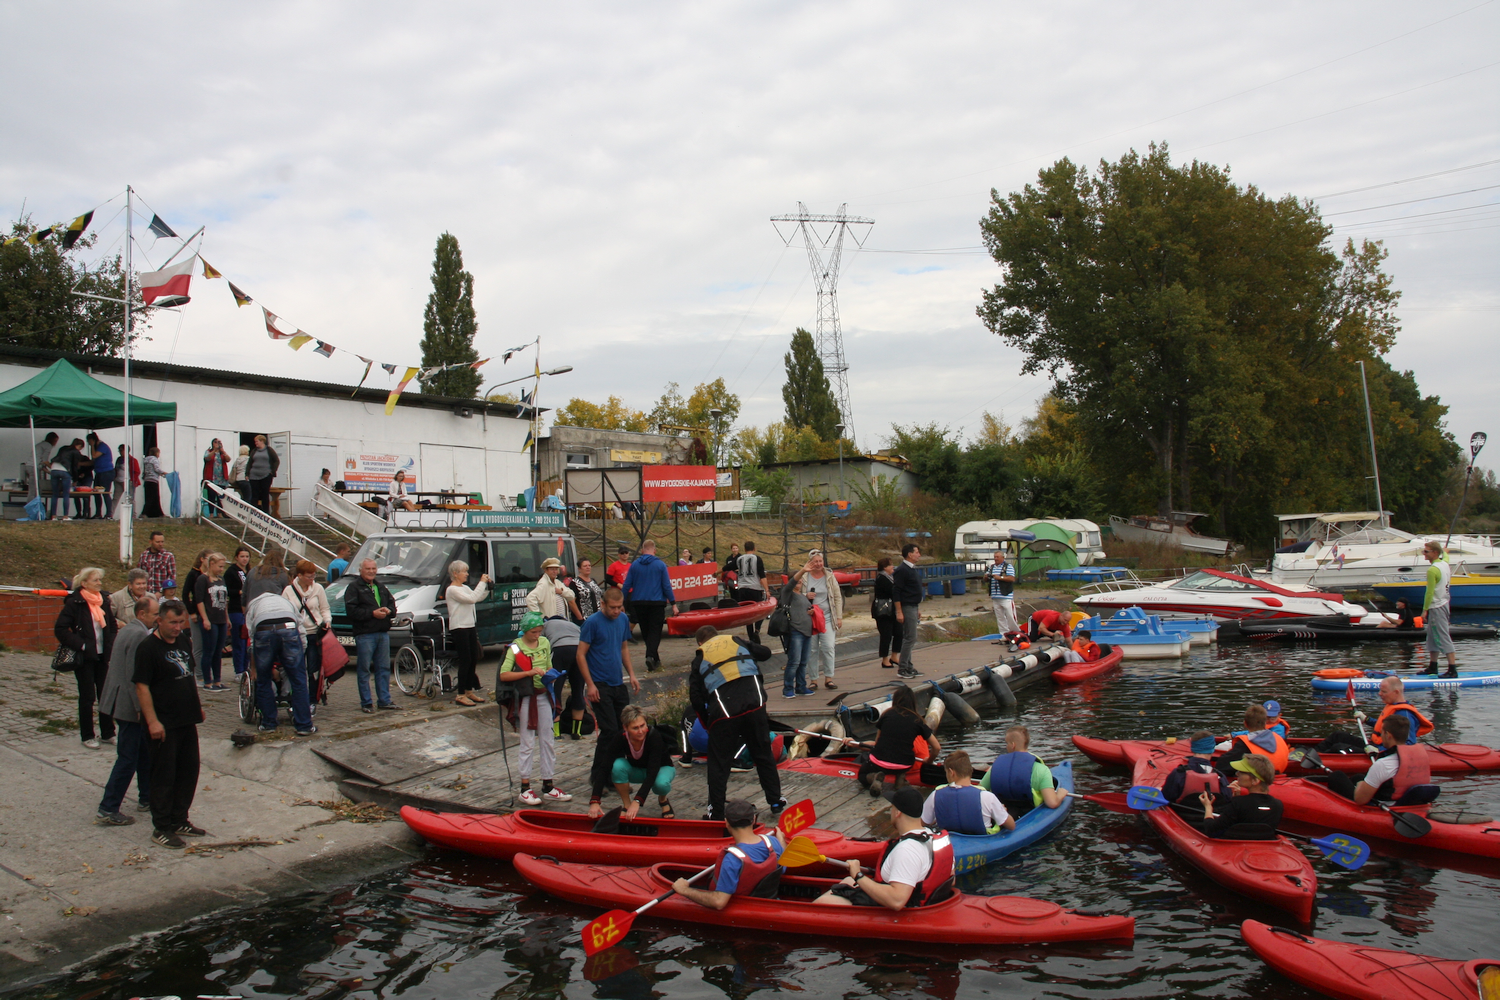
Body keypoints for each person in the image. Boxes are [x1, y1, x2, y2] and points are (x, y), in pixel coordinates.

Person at [689, 625, 785, 821]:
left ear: (700, 643)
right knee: (763, 754)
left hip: (724, 714)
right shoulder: (735, 640)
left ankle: (716, 812)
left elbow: (696, 698)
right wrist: (749, 645)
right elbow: (766, 653)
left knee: (718, 765)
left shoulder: (699, 658)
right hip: (755, 705)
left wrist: (708, 723)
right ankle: (775, 800)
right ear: (717, 635)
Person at [133, 599, 207, 849]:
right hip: (163, 723)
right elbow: (141, 687)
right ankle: (162, 827)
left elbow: (188, 675)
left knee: (188, 771)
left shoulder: (184, 641)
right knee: (164, 775)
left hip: (187, 719)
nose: (177, 627)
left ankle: (179, 819)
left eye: (181, 622)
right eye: (173, 622)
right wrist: (152, 721)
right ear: (159, 621)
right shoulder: (148, 648)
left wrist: (197, 707)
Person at [815, 787, 953, 909]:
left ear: (897, 812)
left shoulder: (907, 849)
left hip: (904, 911)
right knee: (847, 881)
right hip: (925, 901)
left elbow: (897, 901)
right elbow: (952, 879)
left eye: (892, 808)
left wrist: (858, 875)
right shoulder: (932, 836)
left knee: (821, 904)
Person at [95, 595, 158, 826]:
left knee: (142, 752)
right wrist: (141, 707)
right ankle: (108, 807)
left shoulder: (128, 630)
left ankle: (146, 797)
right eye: (155, 614)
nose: (158, 618)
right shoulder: (139, 635)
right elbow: (135, 676)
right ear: (142, 614)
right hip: (128, 705)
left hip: (118, 699)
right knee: (128, 757)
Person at [497, 611, 570, 805]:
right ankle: (525, 788)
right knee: (527, 741)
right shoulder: (515, 647)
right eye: (533, 632)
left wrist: (551, 674)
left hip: (543, 694)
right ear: (525, 630)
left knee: (548, 739)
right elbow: (504, 674)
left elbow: (548, 665)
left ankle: (548, 784)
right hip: (525, 698)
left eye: (539, 631)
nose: (537, 635)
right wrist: (528, 673)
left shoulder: (544, 643)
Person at [580, 588, 640, 818]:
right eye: (612, 607)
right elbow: (580, 654)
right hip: (599, 684)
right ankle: (598, 776)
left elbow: (624, 647)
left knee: (623, 731)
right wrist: (590, 684)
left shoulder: (622, 619)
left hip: (617, 682)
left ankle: (615, 776)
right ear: (603, 604)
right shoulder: (592, 623)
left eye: (619, 607)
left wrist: (631, 674)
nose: (616, 611)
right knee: (609, 731)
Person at [672, 799, 784, 908]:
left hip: (743, 909)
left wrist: (684, 890)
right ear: (754, 819)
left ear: (726, 823)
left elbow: (719, 902)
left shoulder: (732, 860)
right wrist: (781, 839)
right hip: (767, 902)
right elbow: (784, 864)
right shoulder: (773, 843)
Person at [55, 567, 119, 749]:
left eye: (100, 580)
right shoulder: (75, 603)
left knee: (105, 694)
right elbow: (60, 629)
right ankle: (87, 735)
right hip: (84, 657)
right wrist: (81, 644)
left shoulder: (103, 601)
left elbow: (112, 625)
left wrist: (109, 644)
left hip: (102, 655)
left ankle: (108, 732)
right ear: (84, 583)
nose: (99, 583)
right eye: (95, 580)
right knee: (87, 696)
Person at [246, 590, 317, 735]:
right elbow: (301, 631)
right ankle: (304, 725)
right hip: (288, 627)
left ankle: (268, 724)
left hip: (263, 629)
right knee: (298, 681)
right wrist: (299, 656)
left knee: (263, 680)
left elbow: (252, 639)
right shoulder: (287, 602)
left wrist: (255, 667)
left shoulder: (253, 606)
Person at [1327, 716, 1433, 804]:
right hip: (1405, 801)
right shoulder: (1420, 759)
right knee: (1358, 777)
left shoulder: (1383, 764)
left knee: (1336, 776)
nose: (1381, 735)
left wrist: (1360, 786)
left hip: (1383, 806)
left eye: (1382, 732)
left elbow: (1360, 800)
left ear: (1388, 735)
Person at [857, 686, 938, 794]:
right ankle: (900, 778)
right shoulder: (918, 720)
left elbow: (877, 742)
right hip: (904, 764)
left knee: (861, 774)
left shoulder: (886, 714)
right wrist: (929, 761)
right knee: (902, 757)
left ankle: (873, 777)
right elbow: (937, 747)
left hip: (879, 762)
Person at [598, 705, 674, 819]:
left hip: (660, 769)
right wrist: (595, 801)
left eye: (643, 726)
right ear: (625, 728)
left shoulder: (654, 736)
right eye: (635, 728)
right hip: (638, 770)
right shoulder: (620, 737)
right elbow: (604, 766)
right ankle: (627, 805)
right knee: (617, 766)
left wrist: (638, 801)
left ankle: (663, 800)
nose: (640, 731)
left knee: (661, 784)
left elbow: (652, 772)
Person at [346, 557, 399, 712]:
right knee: (364, 669)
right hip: (365, 634)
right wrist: (372, 613)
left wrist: (389, 611)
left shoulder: (380, 587)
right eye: (368, 569)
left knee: (383, 668)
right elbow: (352, 611)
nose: (371, 571)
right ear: (361, 570)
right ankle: (366, 702)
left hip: (382, 633)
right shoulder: (353, 588)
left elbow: (392, 605)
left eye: (373, 569)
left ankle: (384, 700)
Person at [982, 724, 1070, 815]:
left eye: (1006, 743)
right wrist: (1060, 794)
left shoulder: (996, 767)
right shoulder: (1042, 770)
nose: (1006, 746)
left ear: (1013, 745)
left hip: (1001, 813)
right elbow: (1052, 803)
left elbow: (981, 790)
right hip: (1029, 813)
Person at [922, 751, 1013, 836]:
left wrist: (935, 819)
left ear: (951, 772)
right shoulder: (987, 796)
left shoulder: (935, 796)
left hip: (948, 842)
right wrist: (1002, 811)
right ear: (971, 770)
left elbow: (921, 823)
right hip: (980, 841)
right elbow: (1011, 826)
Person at [1196, 754, 1283, 840]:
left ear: (1255, 781)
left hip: (1233, 846)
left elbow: (1211, 831)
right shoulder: (1278, 805)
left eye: (1241, 772)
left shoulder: (1238, 803)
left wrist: (1208, 807)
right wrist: (1236, 799)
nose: (1237, 774)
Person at [623, 539, 677, 672]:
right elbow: (666, 585)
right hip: (656, 602)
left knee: (646, 631)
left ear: (642, 551)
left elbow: (627, 584)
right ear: (655, 551)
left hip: (638, 602)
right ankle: (650, 656)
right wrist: (673, 603)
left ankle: (655, 660)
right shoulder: (660, 565)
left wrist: (620, 602)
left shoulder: (634, 565)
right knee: (655, 631)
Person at [285, 559, 332, 708]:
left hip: (314, 633)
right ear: (299, 575)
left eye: (314, 576)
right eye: (309, 576)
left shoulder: (318, 588)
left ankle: (312, 699)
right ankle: (295, 698)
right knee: (296, 667)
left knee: (313, 669)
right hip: (296, 634)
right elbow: (285, 610)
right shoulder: (288, 590)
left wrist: (327, 621)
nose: (312, 579)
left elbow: (324, 608)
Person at [444, 559, 491, 707]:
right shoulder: (452, 590)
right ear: (455, 573)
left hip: (470, 625)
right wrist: (481, 582)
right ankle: (460, 694)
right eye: (464, 571)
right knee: (465, 660)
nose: (467, 574)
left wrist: (487, 588)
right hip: (459, 627)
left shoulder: (464, 587)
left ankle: (468, 690)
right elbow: (471, 599)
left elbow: (477, 597)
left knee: (473, 658)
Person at [801, 550, 844, 691]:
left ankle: (829, 678)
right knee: (812, 649)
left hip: (826, 617)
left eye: (820, 561)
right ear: (810, 562)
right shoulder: (804, 576)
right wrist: (805, 595)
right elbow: (795, 594)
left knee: (828, 647)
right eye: (816, 562)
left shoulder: (829, 576)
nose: (819, 564)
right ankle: (813, 679)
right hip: (810, 618)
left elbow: (837, 596)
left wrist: (839, 617)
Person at [1215, 704, 1291, 777]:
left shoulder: (1244, 744)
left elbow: (1222, 766)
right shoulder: (1279, 738)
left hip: (1258, 779)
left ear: (1245, 724)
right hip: (1278, 776)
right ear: (1265, 723)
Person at [543, 613, 587, 738]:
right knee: (578, 691)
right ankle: (576, 732)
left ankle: (556, 732)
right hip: (578, 650)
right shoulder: (573, 625)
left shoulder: (546, 625)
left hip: (559, 650)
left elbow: (541, 644)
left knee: (555, 691)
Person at [193, 552, 231, 691]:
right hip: (210, 619)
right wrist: (205, 619)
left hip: (221, 619)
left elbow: (225, 600)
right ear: (212, 564)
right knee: (209, 650)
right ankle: (207, 681)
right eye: (220, 566)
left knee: (218, 652)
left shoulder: (221, 579)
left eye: (223, 567)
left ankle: (217, 680)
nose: (221, 569)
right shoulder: (203, 579)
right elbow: (199, 600)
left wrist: (227, 618)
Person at [1161, 731, 1231, 805]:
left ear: (1192, 749)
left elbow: (1166, 797)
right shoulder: (1220, 777)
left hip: (1182, 811)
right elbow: (1227, 799)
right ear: (1212, 749)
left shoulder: (1178, 773)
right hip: (1211, 811)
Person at [1420, 540, 1457, 677]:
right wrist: (1445, 551)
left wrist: (1424, 610)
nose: (1424, 554)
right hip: (1444, 603)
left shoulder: (1432, 570)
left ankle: (1452, 669)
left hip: (1437, 606)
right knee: (1431, 636)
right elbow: (1446, 556)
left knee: (1442, 635)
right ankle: (1433, 666)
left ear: (1435, 553)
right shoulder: (1444, 563)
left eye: (1426, 551)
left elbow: (1429, 592)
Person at [778, 571, 815, 698]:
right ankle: (788, 688)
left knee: (803, 662)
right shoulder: (788, 593)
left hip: (807, 632)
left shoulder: (802, 596)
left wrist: (811, 611)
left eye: (802, 579)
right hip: (795, 631)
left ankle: (801, 686)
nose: (800, 581)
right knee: (794, 661)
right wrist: (803, 570)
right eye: (798, 579)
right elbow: (791, 583)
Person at [892, 544, 924, 678]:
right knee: (910, 637)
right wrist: (899, 611)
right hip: (906, 606)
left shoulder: (912, 569)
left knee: (909, 637)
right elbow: (896, 591)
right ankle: (903, 668)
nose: (919, 555)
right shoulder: (902, 570)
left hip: (913, 605)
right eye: (917, 552)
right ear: (910, 554)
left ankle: (909, 667)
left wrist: (917, 608)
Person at [868, 557, 903, 669]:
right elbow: (892, 591)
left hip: (893, 610)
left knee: (899, 632)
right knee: (886, 635)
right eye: (890, 565)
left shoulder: (891, 577)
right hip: (883, 611)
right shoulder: (882, 578)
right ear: (884, 567)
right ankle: (885, 659)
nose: (893, 567)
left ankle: (894, 656)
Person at [180, 549, 211, 671]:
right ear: (202, 559)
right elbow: (185, 594)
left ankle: (207, 672)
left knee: (208, 646)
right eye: (209, 559)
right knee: (198, 646)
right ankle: (197, 673)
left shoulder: (211, 575)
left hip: (209, 613)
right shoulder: (193, 574)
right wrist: (191, 612)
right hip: (196, 613)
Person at [733, 542, 769, 642]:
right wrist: (767, 589)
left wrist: (717, 572)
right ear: (754, 548)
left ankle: (750, 636)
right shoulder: (757, 559)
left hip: (742, 588)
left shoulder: (739, 559)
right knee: (761, 611)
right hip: (754, 587)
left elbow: (728, 567)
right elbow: (762, 576)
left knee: (747, 613)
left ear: (744, 549)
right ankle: (757, 630)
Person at [226, 546, 253, 677]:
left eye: (247, 556)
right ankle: (239, 670)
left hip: (249, 609)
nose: (244, 559)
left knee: (248, 642)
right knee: (238, 641)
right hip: (236, 609)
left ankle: (247, 668)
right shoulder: (231, 572)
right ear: (236, 557)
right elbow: (227, 590)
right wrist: (240, 592)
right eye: (242, 556)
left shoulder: (250, 572)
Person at [48, 438, 84, 521]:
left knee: (55, 494)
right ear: (79, 446)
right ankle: (65, 516)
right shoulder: (76, 452)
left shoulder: (63, 448)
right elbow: (74, 467)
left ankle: (53, 516)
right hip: (64, 471)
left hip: (54, 469)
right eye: (81, 448)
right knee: (66, 494)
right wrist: (75, 479)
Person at [986, 547, 1019, 636]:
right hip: (995, 596)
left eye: (997, 557)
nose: (995, 559)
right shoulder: (992, 567)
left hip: (1006, 596)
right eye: (995, 557)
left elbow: (1011, 578)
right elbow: (986, 577)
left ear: (1002, 558)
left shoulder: (1008, 566)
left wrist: (1000, 578)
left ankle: (1016, 632)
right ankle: (1004, 634)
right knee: (1000, 617)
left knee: (1010, 615)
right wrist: (986, 577)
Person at [246, 434, 279, 514]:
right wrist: (247, 473)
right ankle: (254, 512)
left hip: (266, 475)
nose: (255, 443)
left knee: (265, 493)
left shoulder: (269, 450)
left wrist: (272, 471)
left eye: (257, 441)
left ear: (262, 441)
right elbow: (250, 462)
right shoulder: (254, 451)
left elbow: (276, 461)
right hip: (254, 475)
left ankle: (265, 512)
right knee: (254, 494)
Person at [138, 531, 176, 597]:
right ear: (150, 542)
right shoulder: (143, 555)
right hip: (145, 594)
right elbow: (139, 575)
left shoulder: (168, 556)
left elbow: (171, 577)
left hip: (161, 595)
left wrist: (161, 592)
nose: (160, 544)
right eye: (157, 542)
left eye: (162, 542)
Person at [201, 438, 230, 516]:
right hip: (211, 477)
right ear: (212, 444)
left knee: (220, 497)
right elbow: (207, 458)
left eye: (219, 442)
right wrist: (214, 450)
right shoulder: (209, 451)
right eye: (215, 442)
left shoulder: (222, 453)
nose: (217, 443)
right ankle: (211, 513)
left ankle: (220, 513)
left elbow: (228, 459)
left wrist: (223, 451)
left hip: (221, 478)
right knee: (211, 495)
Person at [89, 434, 114, 519]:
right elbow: (93, 460)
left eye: (89, 441)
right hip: (99, 472)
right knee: (96, 492)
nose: (89, 444)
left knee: (105, 492)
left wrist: (92, 446)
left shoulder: (102, 446)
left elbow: (94, 456)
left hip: (106, 472)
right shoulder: (98, 447)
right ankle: (98, 513)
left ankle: (109, 514)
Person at [69, 437, 93, 519]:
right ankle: (79, 513)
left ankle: (85, 513)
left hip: (87, 477)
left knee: (85, 495)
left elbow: (91, 466)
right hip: (77, 478)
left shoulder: (84, 458)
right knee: (76, 495)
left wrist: (84, 473)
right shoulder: (72, 459)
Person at [114, 442, 140, 514]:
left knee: (130, 499)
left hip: (129, 481)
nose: (120, 452)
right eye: (119, 450)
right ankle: (110, 514)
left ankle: (133, 514)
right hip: (118, 480)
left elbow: (137, 471)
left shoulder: (132, 460)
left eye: (121, 450)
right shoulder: (119, 459)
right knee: (115, 498)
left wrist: (133, 481)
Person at [33, 431, 58, 500]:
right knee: (36, 489)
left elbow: (43, 465)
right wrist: (54, 468)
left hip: (32, 466)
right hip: (35, 467)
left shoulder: (40, 444)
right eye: (55, 441)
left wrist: (50, 472)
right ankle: (34, 505)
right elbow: (45, 460)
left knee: (35, 488)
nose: (55, 443)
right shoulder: (48, 445)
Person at [140, 446, 164, 518]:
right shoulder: (155, 460)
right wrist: (164, 473)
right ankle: (144, 513)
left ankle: (160, 513)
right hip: (153, 480)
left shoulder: (145, 460)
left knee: (153, 497)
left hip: (147, 480)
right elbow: (156, 469)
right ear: (156, 453)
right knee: (152, 498)